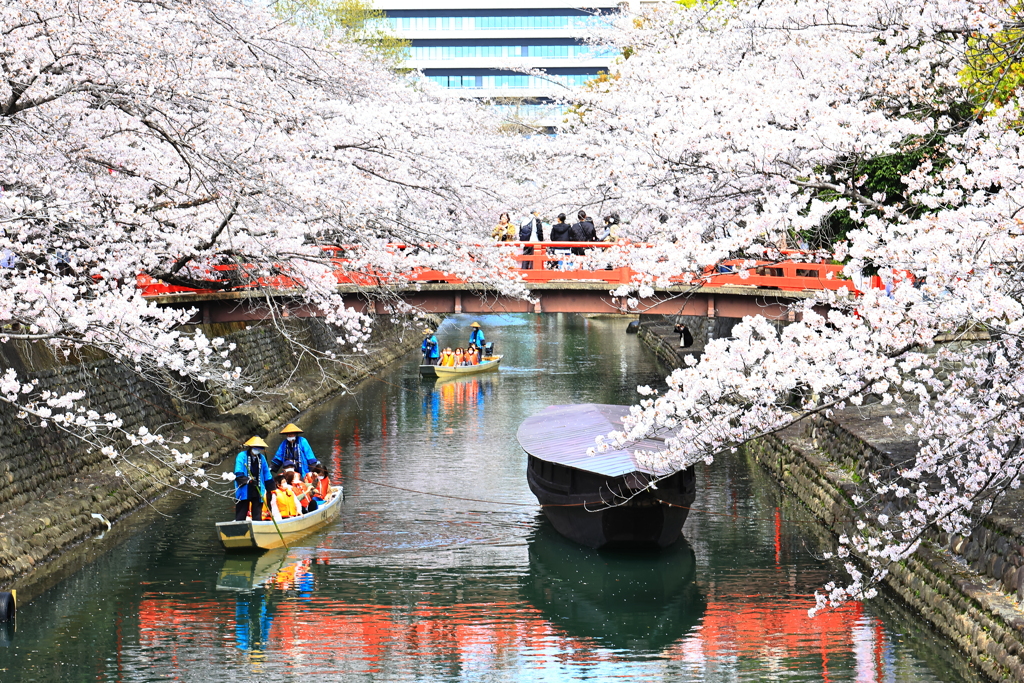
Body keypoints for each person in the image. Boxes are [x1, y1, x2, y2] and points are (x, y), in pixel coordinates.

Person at [233, 436, 275, 522]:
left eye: (259, 448)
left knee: (257, 513)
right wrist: (249, 480)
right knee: (241, 512)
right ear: (251, 447)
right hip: (244, 488)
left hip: (258, 488)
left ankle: (258, 527)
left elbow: (266, 473)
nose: (258, 449)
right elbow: (238, 472)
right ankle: (239, 528)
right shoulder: (242, 456)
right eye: (256, 447)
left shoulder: (261, 458)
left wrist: (271, 488)